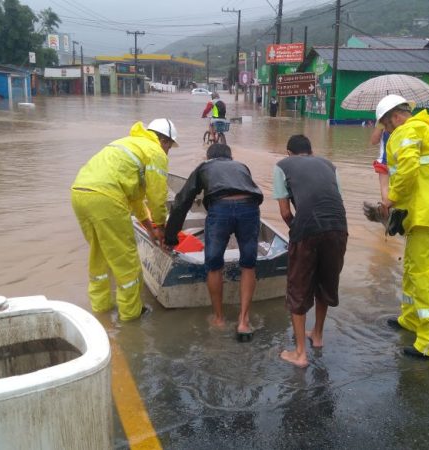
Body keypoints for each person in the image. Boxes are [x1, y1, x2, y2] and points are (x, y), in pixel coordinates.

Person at [375, 94, 429, 359]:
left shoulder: (408, 130)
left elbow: (408, 169)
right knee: (413, 269)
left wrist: (390, 199)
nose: (387, 131)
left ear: (395, 117)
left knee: (425, 275)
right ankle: (412, 320)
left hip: (428, 213)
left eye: (386, 125)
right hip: (426, 212)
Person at [71, 119, 178, 321]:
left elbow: (136, 200)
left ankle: (101, 309)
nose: (168, 152)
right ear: (164, 140)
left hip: (79, 193)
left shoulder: (130, 143)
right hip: (106, 197)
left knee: (99, 255)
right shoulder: (155, 153)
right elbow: (157, 197)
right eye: (169, 147)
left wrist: (149, 228)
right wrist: (161, 227)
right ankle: (131, 316)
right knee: (127, 261)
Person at [164, 143, 263, 340]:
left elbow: (182, 202)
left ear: (208, 157)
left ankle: (219, 319)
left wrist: (170, 237)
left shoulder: (204, 167)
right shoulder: (241, 166)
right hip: (250, 208)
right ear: (231, 157)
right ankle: (243, 322)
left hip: (221, 210)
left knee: (214, 266)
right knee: (248, 265)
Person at [274, 135, 348, 368]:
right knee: (325, 283)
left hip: (307, 229)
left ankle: (300, 354)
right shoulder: (329, 165)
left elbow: (286, 213)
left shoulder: (282, 166)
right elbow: (337, 199)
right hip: (338, 228)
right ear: (311, 151)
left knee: (298, 288)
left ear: (288, 152)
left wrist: (298, 232)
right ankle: (317, 335)